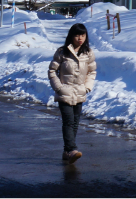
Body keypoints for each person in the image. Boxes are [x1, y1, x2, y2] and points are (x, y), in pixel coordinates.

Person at [48, 23, 97, 164]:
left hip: (80, 92)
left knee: (75, 122)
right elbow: (52, 71)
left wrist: (87, 87)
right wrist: (59, 87)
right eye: (77, 35)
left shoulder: (88, 53)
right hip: (65, 92)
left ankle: (67, 152)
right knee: (68, 121)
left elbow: (92, 71)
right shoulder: (62, 52)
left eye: (83, 35)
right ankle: (72, 149)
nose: (80, 38)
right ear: (71, 36)